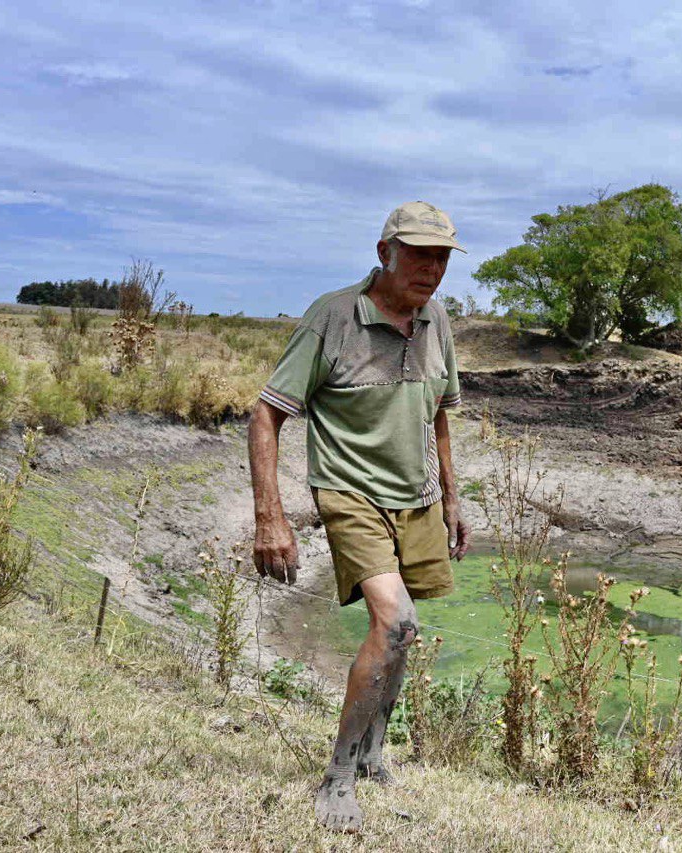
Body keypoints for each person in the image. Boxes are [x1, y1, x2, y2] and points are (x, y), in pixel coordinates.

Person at [248, 201, 472, 833]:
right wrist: (271, 517)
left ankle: (373, 752)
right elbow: (266, 413)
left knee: (409, 630)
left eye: (443, 257)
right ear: (385, 254)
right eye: (420, 254)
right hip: (352, 494)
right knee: (396, 622)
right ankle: (338, 775)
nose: (433, 269)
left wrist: (453, 499)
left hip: (419, 494)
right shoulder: (333, 317)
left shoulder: (437, 319)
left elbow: (439, 414)